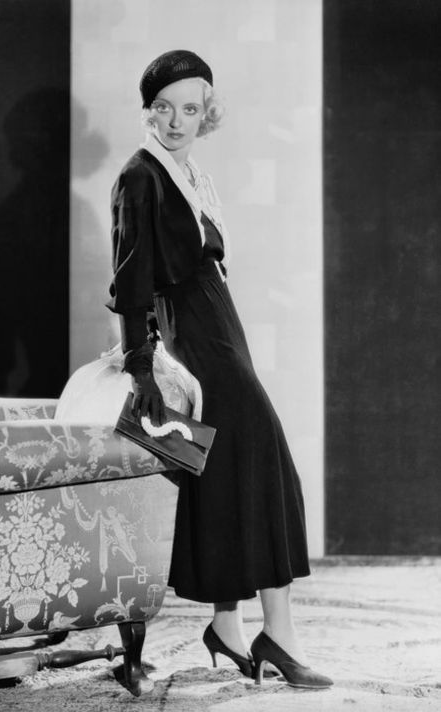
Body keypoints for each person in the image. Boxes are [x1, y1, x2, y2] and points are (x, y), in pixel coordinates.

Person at [106, 49, 332, 689]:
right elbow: (131, 282)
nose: (177, 120)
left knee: (234, 471)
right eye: (164, 108)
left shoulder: (190, 173)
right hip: (194, 334)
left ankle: (228, 627)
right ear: (149, 111)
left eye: (191, 108)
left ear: (206, 112)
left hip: (220, 323)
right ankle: (277, 634)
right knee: (264, 462)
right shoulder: (140, 176)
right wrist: (141, 366)